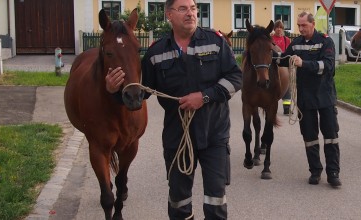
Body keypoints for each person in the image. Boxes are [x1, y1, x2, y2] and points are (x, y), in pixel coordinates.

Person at [105, 0, 242, 218]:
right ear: (169, 15)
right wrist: (114, 91)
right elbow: (141, 94)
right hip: (177, 138)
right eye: (183, 9)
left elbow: (236, 78)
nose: (191, 13)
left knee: (216, 202)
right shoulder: (155, 53)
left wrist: (204, 96)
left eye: (193, 8)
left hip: (214, 134)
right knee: (179, 203)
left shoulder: (216, 42)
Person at [281, 11, 341, 187]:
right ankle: (315, 171)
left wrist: (304, 64)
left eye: (304, 25)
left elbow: (328, 66)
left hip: (325, 97)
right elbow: (284, 59)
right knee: (309, 136)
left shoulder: (325, 41)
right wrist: (267, 53)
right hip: (305, 99)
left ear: (313, 24)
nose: (300, 29)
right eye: (298, 25)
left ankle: (333, 173)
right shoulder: (296, 43)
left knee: (331, 136)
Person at [271, 20, 293, 115]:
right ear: (274, 29)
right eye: (277, 27)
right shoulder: (270, 38)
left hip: (284, 63)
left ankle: (287, 107)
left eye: (281, 27)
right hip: (272, 63)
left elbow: (289, 52)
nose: (279, 29)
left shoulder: (286, 39)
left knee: (287, 83)